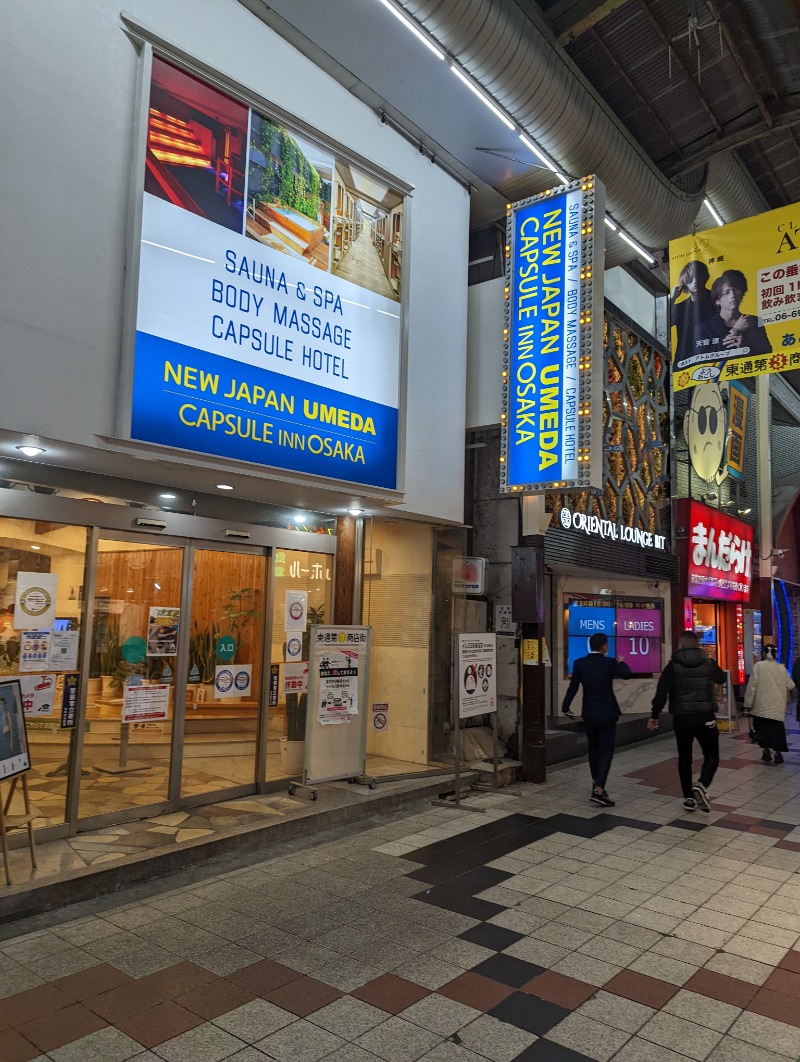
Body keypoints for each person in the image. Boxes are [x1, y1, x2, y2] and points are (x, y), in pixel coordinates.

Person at [648, 630, 727, 812]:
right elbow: (721, 677)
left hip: (682, 717)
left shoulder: (673, 666)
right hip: (706, 716)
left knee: (685, 757)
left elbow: (661, 693)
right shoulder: (708, 663)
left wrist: (654, 715)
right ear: (697, 644)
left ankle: (689, 798)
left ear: (681, 644)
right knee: (712, 755)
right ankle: (702, 783)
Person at [562, 632, 632, 807]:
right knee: (606, 751)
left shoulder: (580, 664)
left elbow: (573, 687)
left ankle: (595, 783)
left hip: (589, 713)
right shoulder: (609, 663)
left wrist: (566, 706)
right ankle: (599, 789)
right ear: (604, 646)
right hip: (608, 712)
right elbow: (626, 674)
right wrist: (621, 661)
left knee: (593, 749)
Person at [694, 268, 771, 362]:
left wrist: (745, 347)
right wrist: (736, 330)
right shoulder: (704, 328)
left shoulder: (755, 321)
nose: (733, 295)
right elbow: (702, 359)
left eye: (736, 289)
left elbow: (767, 354)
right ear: (717, 300)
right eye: (726, 292)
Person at [744, 645, 793, 764]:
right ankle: (778, 753)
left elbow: (752, 687)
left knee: (762, 730)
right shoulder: (781, 668)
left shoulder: (759, 666)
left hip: (761, 706)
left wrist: (747, 704)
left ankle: (766, 752)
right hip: (777, 707)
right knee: (777, 731)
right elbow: (791, 685)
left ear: (764, 653)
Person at [672, 260, 714, 371]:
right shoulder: (680, 307)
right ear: (684, 283)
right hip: (685, 363)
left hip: (716, 358)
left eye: (698, 276)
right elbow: (665, 324)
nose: (695, 281)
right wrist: (673, 298)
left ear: (705, 277)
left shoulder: (718, 300)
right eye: (690, 279)